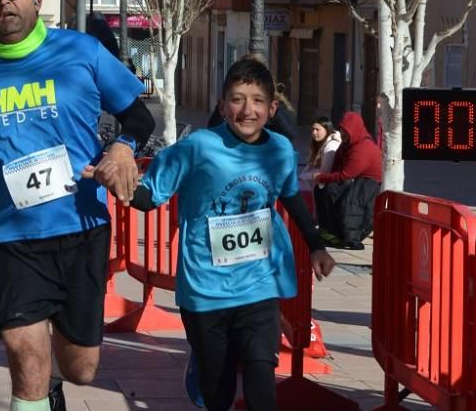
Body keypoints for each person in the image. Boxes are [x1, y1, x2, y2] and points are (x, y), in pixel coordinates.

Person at [0, 0, 155, 411]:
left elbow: (138, 114)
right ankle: (37, 389)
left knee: (81, 368)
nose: (4, 2)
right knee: (24, 354)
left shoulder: (83, 51)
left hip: (81, 229)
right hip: (8, 238)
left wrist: (123, 148)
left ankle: (56, 377)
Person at [126, 58, 336, 411]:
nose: (247, 110)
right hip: (206, 287)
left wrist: (316, 246)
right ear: (223, 106)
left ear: (271, 109)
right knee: (218, 390)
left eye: (256, 101)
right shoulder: (198, 147)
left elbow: (288, 197)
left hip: (259, 283)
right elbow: (149, 198)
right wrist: (120, 182)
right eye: (237, 99)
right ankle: (205, 370)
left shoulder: (280, 150)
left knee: (260, 373)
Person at [314, 111, 383, 250]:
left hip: (366, 182)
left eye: (346, 132)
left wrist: (321, 177)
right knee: (323, 190)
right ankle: (328, 231)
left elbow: (344, 175)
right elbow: (337, 165)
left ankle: (348, 237)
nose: (343, 135)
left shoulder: (362, 149)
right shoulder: (347, 144)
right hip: (353, 177)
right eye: (342, 131)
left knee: (347, 202)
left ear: (354, 131)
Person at [299, 117, 341, 193]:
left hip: (329, 189)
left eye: (317, 130)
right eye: (313, 129)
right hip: (318, 186)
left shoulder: (331, 146)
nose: (314, 132)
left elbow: (325, 172)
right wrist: (301, 177)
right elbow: (310, 165)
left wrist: (304, 177)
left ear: (327, 130)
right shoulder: (318, 143)